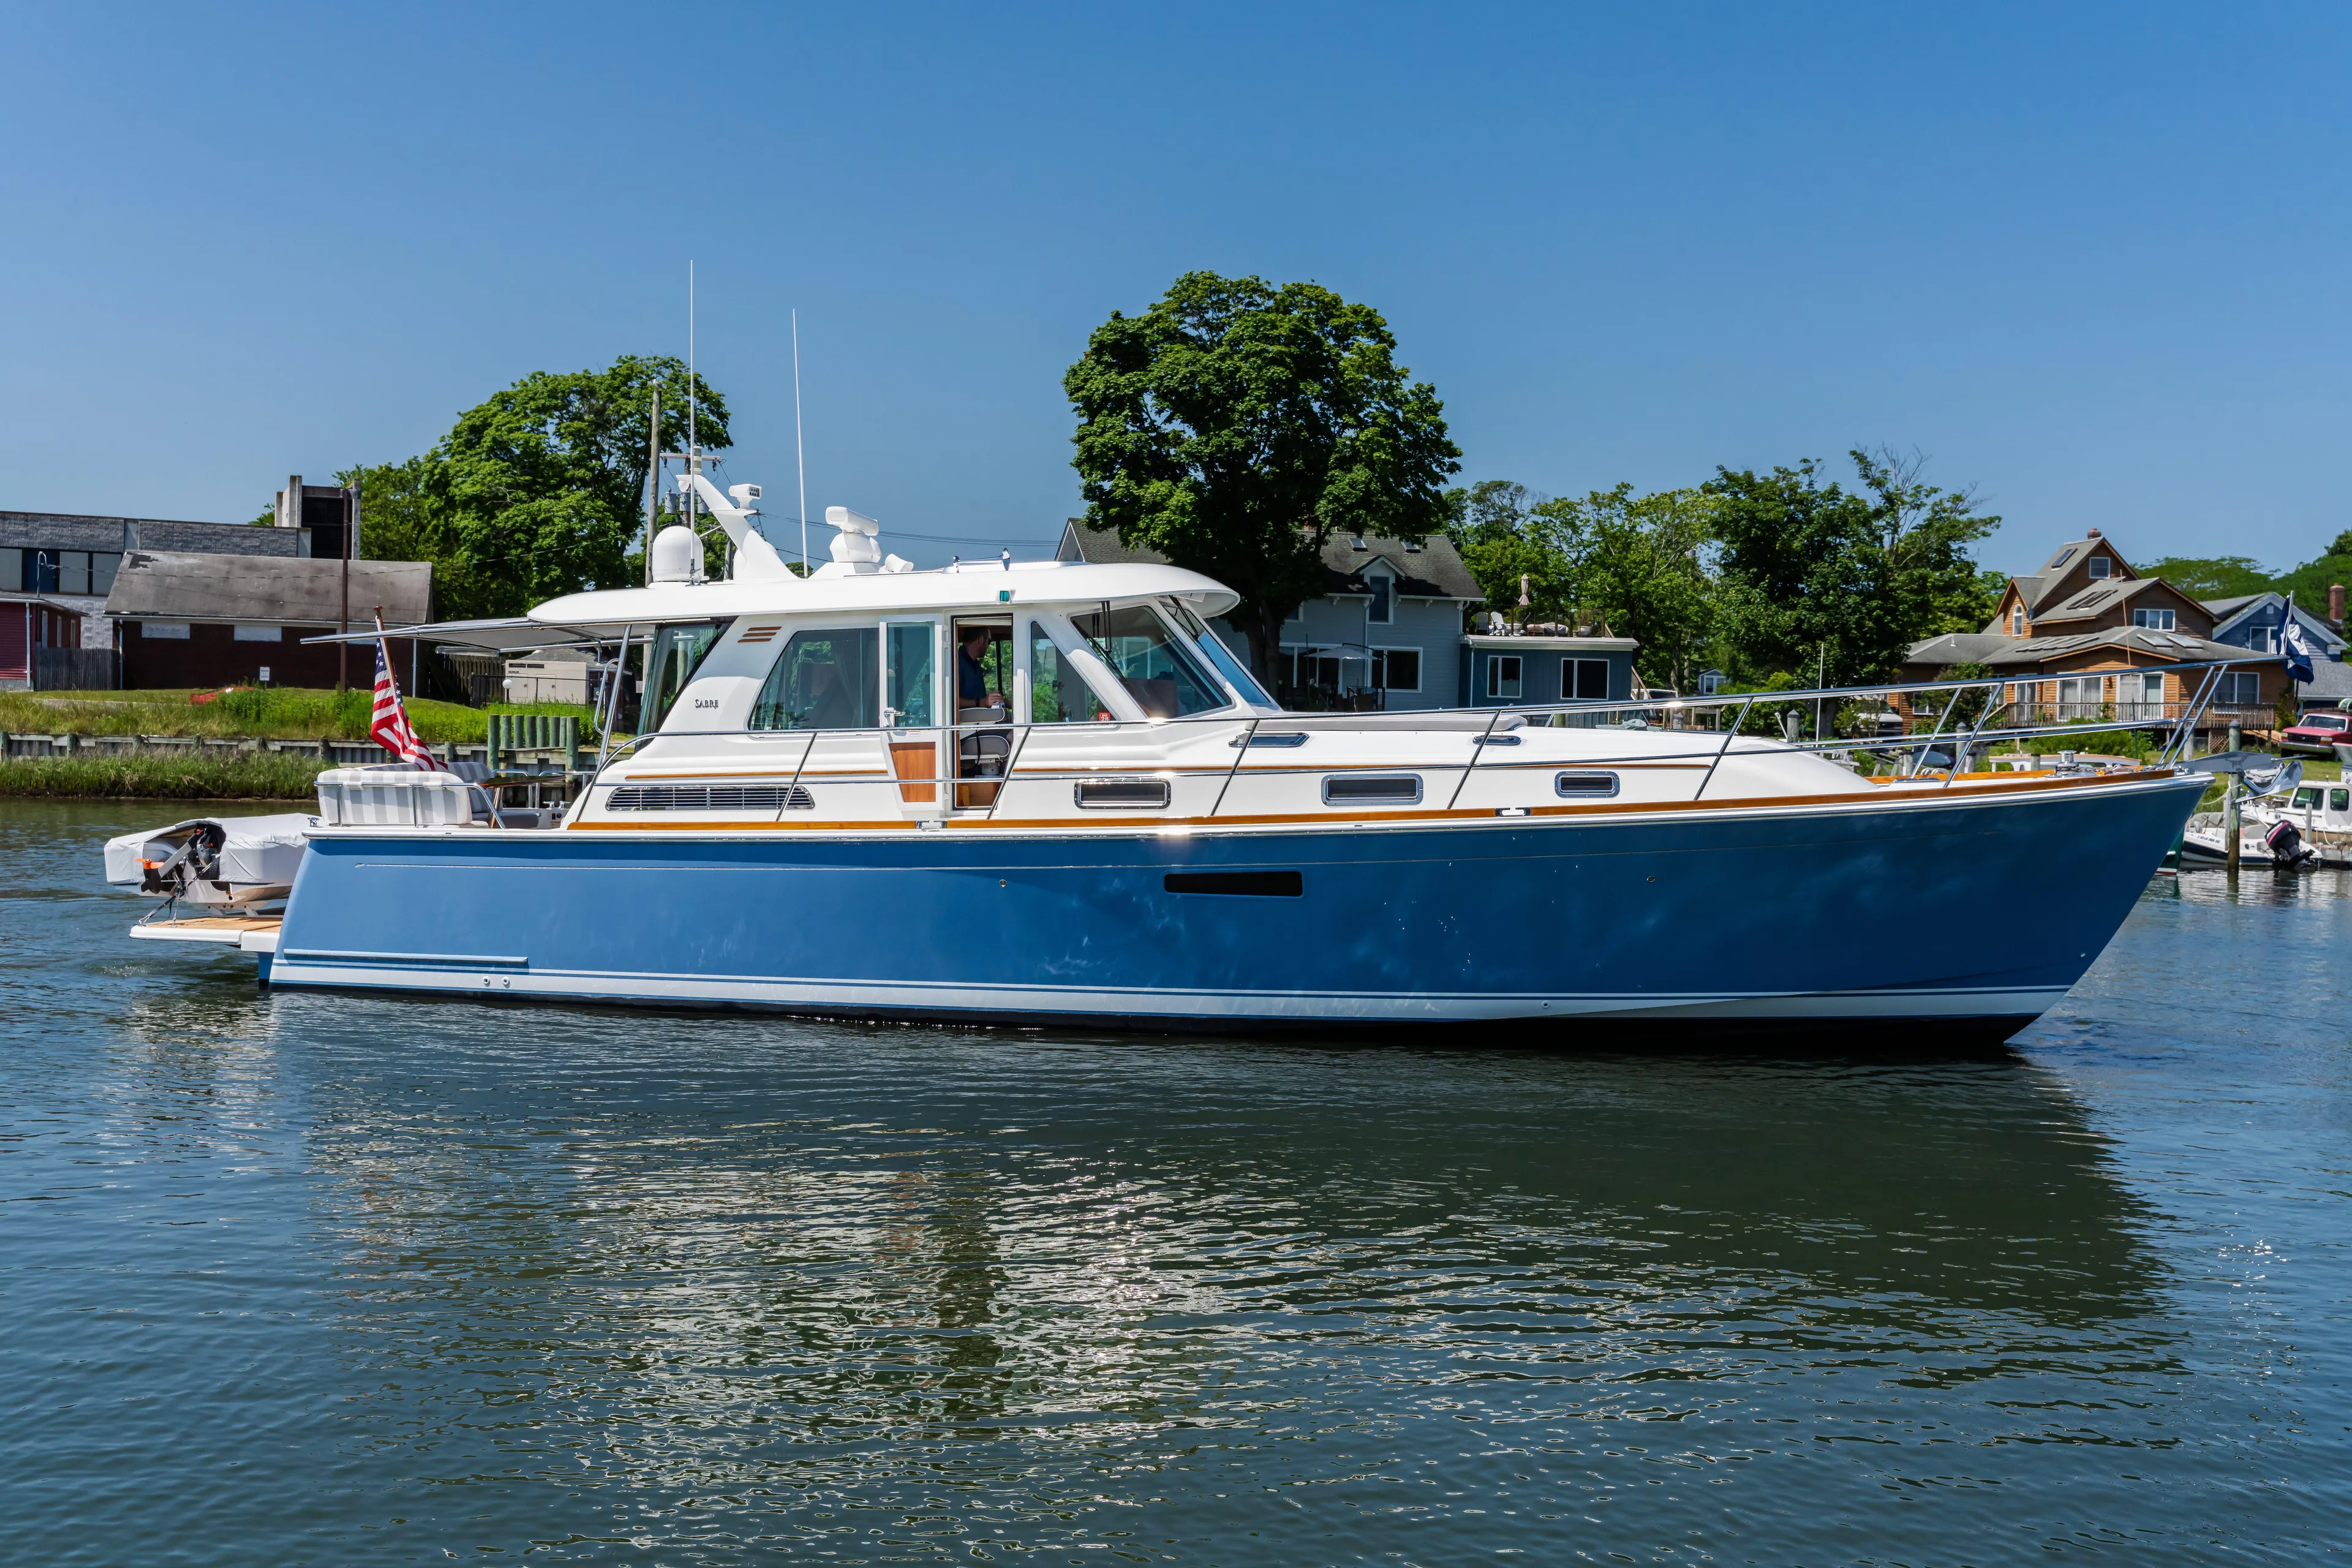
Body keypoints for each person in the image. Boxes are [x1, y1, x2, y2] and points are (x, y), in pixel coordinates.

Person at [957, 628, 1004, 710]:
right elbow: (950, 701)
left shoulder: (976, 665)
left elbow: (983, 700)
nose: (988, 646)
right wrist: (982, 702)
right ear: (981, 639)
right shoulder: (955, 664)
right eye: (989, 642)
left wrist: (1001, 701)